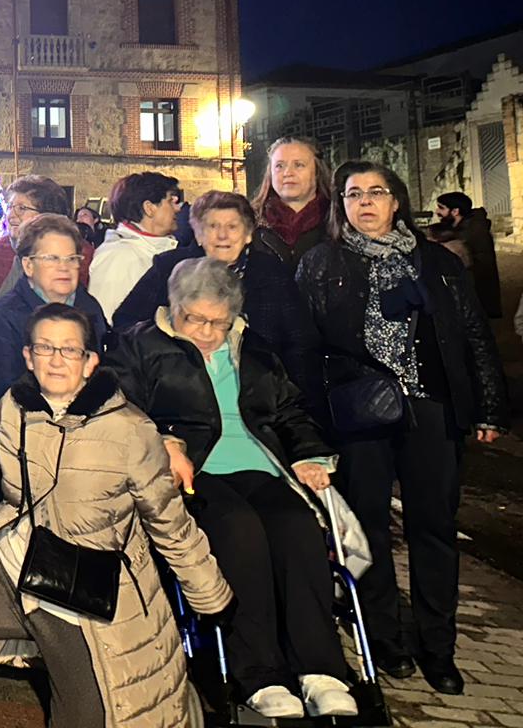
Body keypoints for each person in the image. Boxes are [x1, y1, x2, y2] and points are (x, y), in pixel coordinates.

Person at [0, 304, 232, 728]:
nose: (55, 359)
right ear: (28, 356)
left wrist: (209, 594)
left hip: (88, 589)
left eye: (69, 350)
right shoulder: (16, 407)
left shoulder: (130, 431)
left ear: (90, 361)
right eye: (45, 347)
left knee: (84, 717)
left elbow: (169, 522)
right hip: (18, 559)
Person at [105, 258, 358, 719]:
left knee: (298, 526)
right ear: (174, 308)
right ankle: (258, 672)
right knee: (239, 532)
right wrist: (164, 441)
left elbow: (289, 411)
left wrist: (310, 455)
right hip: (193, 472)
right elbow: (121, 410)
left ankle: (321, 670)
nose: (207, 331)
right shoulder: (137, 345)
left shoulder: (253, 348)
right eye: (196, 319)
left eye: (219, 322)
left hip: (257, 465)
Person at [296, 160, 508, 695]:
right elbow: (306, 350)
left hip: (431, 407)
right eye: (352, 194)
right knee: (367, 528)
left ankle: (439, 647)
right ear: (340, 206)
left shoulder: (435, 262)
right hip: (359, 412)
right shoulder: (321, 262)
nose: (364, 202)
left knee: (433, 528)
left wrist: (487, 406)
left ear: (396, 201)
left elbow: (472, 334)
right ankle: (387, 640)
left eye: (376, 192)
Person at [111, 191, 325, 420]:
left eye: (232, 227)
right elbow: (126, 322)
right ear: (199, 234)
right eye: (213, 226)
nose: (223, 235)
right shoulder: (169, 267)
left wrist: (291, 398)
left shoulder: (272, 273)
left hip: (259, 396)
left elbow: (301, 342)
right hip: (181, 393)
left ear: (248, 235)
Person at [0, 214, 109, 412]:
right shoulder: (4, 317)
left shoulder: (89, 307)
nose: (64, 267)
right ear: (28, 265)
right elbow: (0, 393)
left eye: (71, 259)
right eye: (52, 259)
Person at [87, 171, 183, 320]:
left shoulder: (153, 249)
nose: (178, 208)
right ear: (149, 208)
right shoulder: (118, 257)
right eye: (171, 201)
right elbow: (106, 321)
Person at [0, 175, 93, 296]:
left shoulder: (81, 252)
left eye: (22, 208)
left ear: (47, 216)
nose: (11, 215)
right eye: (10, 207)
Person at [252, 137, 332, 268]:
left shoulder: (337, 220)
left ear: (317, 171)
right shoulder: (250, 222)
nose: (288, 173)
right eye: (279, 166)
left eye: (299, 165)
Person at [434, 191, 503, 321]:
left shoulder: (473, 231)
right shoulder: (459, 226)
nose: (437, 211)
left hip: (477, 293)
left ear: (455, 211)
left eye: (441, 208)